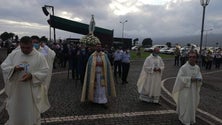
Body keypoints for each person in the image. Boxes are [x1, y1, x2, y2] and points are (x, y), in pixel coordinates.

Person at [1, 36, 49, 125]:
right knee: (16, 111)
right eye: (23, 47)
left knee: (30, 113)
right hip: (16, 91)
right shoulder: (14, 54)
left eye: (28, 48)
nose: (25, 50)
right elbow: (4, 66)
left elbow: (45, 71)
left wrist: (32, 76)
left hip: (31, 91)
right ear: (20, 45)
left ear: (32, 45)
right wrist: (14, 69)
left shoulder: (39, 56)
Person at [81, 43, 116, 108]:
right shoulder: (92, 56)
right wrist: (95, 64)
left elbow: (107, 65)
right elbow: (89, 65)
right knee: (94, 88)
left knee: (102, 88)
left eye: (100, 47)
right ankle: (93, 100)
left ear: (101, 48)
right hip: (94, 75)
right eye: (97, 47)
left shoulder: (104, 55)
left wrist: (102, 64)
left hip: (102, 75)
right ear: (95, 48)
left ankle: (102, 101)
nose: (98, 48)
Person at [172, 50, 203, 125]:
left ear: (196, 58)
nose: (192, 58)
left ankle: (191, 119)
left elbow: (200, 76)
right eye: (190, 57)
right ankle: (184, 119)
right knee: (185, 105)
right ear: (188, 58)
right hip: (185, 90)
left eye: (194, 57)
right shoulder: (184, 67)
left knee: (192, 104)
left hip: (194, 90)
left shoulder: (197, 67)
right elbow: (180, 78)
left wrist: (199, 79)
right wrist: (190, 79)